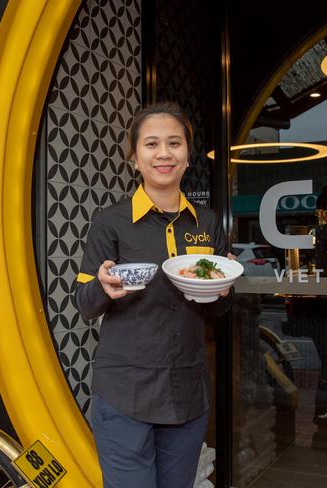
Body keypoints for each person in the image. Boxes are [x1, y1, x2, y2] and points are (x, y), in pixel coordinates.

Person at [74, 102, 233, 488]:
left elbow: (217, 312)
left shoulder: (207, 223)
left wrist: (222, 287)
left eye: (174, 143)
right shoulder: (111, 221)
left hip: (186, 393)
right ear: (134, 157)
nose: (164, 153)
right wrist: (105, 288)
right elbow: (84, 303)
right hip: (124, 393)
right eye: (151, 144)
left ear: (187, 154)